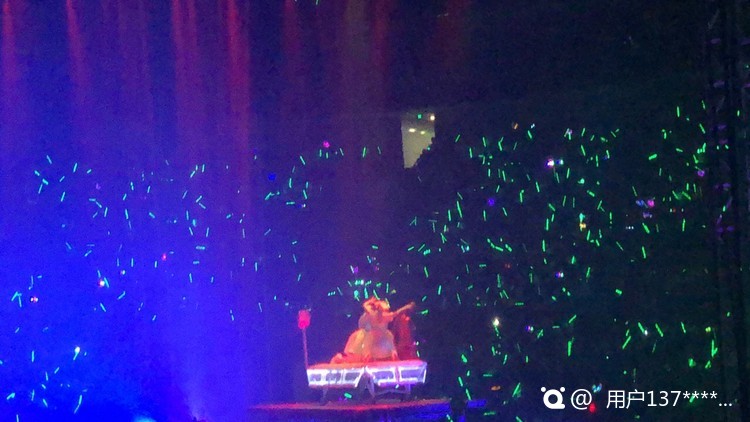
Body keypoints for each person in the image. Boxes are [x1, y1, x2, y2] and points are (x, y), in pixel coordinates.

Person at [331, 298, 415, 363]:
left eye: (386, 311)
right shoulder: (362, 332)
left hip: (381, 349)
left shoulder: (388, 335)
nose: (386, 314)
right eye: (381, 311)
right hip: (366, 344)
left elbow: (395, 313)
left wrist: (393, 356)